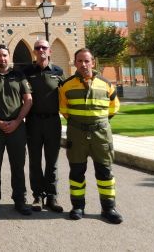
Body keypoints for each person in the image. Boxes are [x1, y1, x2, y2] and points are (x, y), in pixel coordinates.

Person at [59, 48, 123, 224]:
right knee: (77, 171)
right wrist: (81, 122)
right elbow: (64, 110)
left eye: (87, 61)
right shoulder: (66, 85)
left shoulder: (107, 84)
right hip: (76, 133)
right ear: (75, 63)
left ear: (93, 62)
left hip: (101, 134)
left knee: (105, 172)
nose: (83, 64)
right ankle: (78, 206)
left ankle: (109, 208)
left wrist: (99, 121)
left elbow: (114, 107)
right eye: (79, 61)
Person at [0, 44, 33, 216]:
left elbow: (28, 99)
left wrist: (17, 121)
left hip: (17, 128)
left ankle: (20, 200)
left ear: (9, 57)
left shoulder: (19, 75)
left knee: (18, 166)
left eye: (5, 55)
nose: (2, 59)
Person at [22, 39, 64, 213]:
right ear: (34, 52)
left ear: (50, 51)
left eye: (44, 48)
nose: (41, 50)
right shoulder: (26, 72)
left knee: (52, 161)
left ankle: (52, 196)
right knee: (35, 161)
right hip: (33, 122)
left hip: (53, 121)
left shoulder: (58, 71)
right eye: (38, 48)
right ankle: (38, 196)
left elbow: (66, 93)